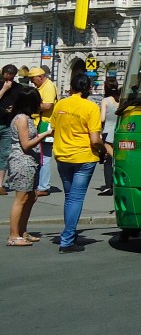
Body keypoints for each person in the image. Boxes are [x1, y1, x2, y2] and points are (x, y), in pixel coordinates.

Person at [52, 71, 103, 253]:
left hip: (62, 155)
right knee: (76, 197)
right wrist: (104, 150)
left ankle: (69, 235)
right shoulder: (90, 107)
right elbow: (95, 139)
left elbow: (53, 128)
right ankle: (67, 240)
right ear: (88, 88)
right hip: (84, 157)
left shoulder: (60, 105)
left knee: (69, 197)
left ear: (71, 86)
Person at [5, 85, 52, 246]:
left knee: (31, 196)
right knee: (21, 198)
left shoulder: (25, 117)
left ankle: (22, 231)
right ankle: (13, 235)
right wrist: (45, 134)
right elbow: (26, 144)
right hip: (22, 161)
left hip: (29, 161)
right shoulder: (22, 119)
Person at [28, 66, 57, 195]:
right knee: (40, 156)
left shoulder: (49, 86)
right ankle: (40, 184)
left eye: (33, 79)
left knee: (44, 156)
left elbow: (48, 105)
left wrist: (30, 106)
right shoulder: (41, 87)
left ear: (41, 76)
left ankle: (43, 186)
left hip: (46, 123)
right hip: (40, 123)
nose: (32, 81)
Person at [96, 77, 120, 195]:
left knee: (110, 159)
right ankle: (114, 184)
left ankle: (109, 186)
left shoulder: (106, 100)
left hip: (108, 131)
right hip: (119, 130)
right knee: (112, 157)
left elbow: (102, 118)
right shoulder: (120, 100)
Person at [0, 63, 18, 193]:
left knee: (4, 154)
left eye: (11, 78)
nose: (9, 81)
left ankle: (0, 184)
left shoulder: (18, 88)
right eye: (6, 78)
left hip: (7, 124)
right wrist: (4, 90)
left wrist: (14, 109)